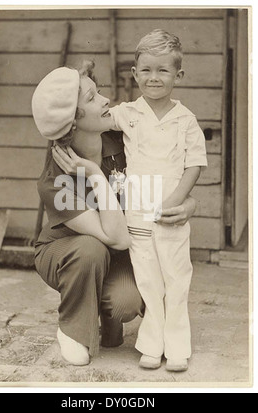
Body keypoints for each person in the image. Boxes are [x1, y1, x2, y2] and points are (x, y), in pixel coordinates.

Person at [31, 62, 197, 367]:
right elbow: (117, 238)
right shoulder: (57, 180)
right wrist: (94, 174)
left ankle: (109, 321)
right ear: (73, 122)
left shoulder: (121, 143)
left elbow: (163, 180)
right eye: (92, 98)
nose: (107, 100)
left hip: (115, 252)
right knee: (90, 248)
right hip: (67, 252)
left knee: (127, 302)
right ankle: (73, 330)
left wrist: (187, 205)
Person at [109, 29, 208, 372]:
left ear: (178, 75)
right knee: (149, 281)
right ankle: (152, 344)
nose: (154, 78)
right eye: (146, 70)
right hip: (138, 214)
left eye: (163, 70)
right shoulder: (127, 113)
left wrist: (179, 201)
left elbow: (194, 164)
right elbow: (95, 117)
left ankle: (178, 346)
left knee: (176, 279)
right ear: (135, 74)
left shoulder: (185, 119)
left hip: (171, 213)